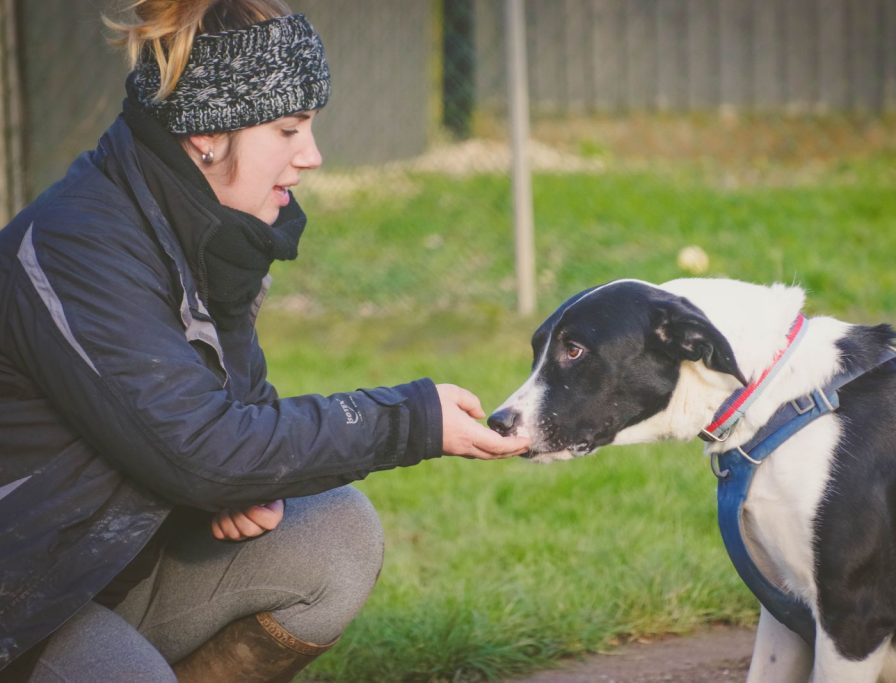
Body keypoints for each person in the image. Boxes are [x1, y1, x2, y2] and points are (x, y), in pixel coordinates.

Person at [0, 1, 529, 680]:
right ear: (207, 134)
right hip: (25, 606)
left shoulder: (209, 227)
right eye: (288, 127)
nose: (311, 155)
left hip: (104, 571)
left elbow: (228, 426)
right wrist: (412, 419)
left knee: (334, 534)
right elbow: (202, 450)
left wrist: (244, 482)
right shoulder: (80, 247)